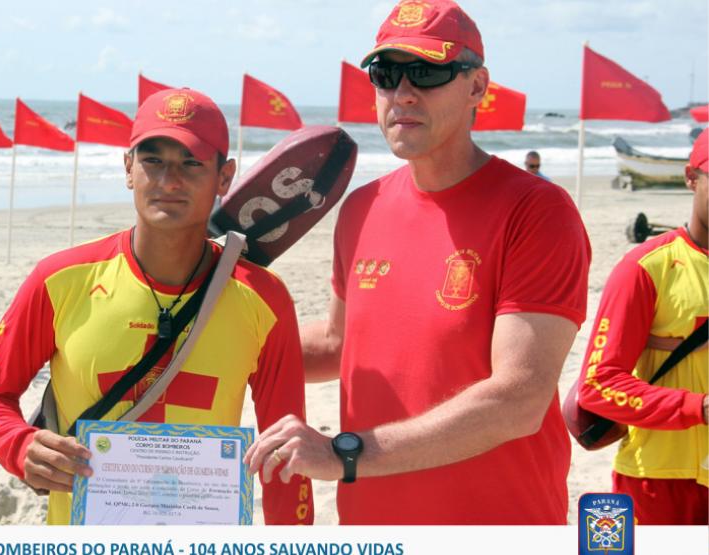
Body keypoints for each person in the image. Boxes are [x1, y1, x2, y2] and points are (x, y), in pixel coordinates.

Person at [245, 0, 591, 524]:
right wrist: (222, 337)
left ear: (477, 87)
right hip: (375, 526)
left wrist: (344, 453)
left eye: (427, 73)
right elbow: (340, 346)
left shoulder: (536, 210)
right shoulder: (362, 207)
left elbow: (518, 399)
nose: (403, 93)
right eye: (386, 74)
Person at [0, 88, 314, 525]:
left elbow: (286, 451)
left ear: (225, 178)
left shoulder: (264, 297)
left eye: (191, 163)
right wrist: (18, 445)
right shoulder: (61, 280)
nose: (169, 181)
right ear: (128, 168)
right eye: (153, 161)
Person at [577, 128, 708, 525]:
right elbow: (597, 387)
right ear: (691, 178)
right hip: (661, 480)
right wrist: (697, 407)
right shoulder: (646, 268)